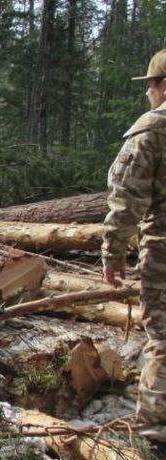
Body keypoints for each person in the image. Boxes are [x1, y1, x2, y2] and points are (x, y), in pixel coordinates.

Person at [103, 49, 166, 440]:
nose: (149, 93)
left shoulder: (153, 129)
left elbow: (127, 196)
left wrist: (113, 251)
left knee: (163, 340)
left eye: (152, 85)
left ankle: (156, 431)